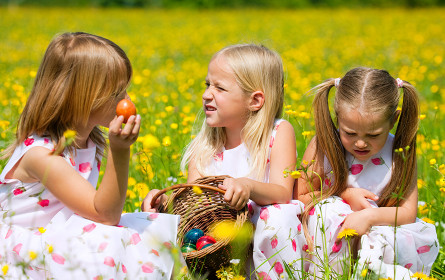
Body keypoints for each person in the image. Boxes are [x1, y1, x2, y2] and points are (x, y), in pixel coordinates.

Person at [0, 32, 179, 279]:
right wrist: (120, 150)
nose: (127, 101)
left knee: (146, 228)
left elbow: (101, 210)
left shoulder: (90, 139)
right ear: (82, 96)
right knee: (110, 238)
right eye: (118, 93)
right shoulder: (42, 156)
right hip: (24, 252)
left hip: (63, 232)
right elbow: (105, 215)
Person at [143, 44, 306, 279]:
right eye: (207, 84)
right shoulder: (206, 146)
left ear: (255, 100)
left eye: (219, 88)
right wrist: (163, 202)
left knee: (278, 216)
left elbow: (283, 192)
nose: (207, 94)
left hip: (263, 244)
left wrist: (247, 186)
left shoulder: (278, 133)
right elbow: (194, 206)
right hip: (218, 248)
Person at [296, 67, 439, 279]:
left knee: (394, 240)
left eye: (373, 134)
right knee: (328, 212)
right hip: (329, 240)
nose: (360, 142)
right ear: (337, 119)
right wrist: (344, 195)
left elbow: (407, 212)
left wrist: (369, 216)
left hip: (380, 228)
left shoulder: (400, 151)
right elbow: (299, 195)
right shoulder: (324, 145)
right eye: (350, 133)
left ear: (393, 120)